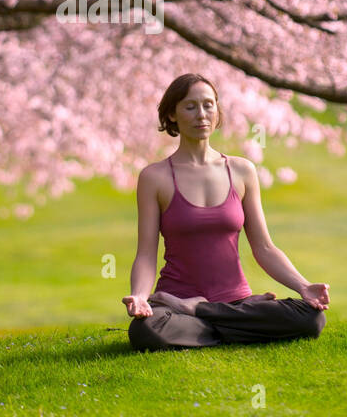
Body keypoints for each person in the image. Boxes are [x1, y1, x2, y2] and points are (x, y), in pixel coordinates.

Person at [124, 72, 329, 351]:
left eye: (209, 105)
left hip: (233, 301)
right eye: (190, 106)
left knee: (311, 319)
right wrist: (140, 296)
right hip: (176, 299)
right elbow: (146, 253)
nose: (202, 115)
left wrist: (303, 287)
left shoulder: (242, 170)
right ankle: (233, 324)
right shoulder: (154, 177)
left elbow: (265, 247)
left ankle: (201, 313)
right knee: (146, 330)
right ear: (172, 115)